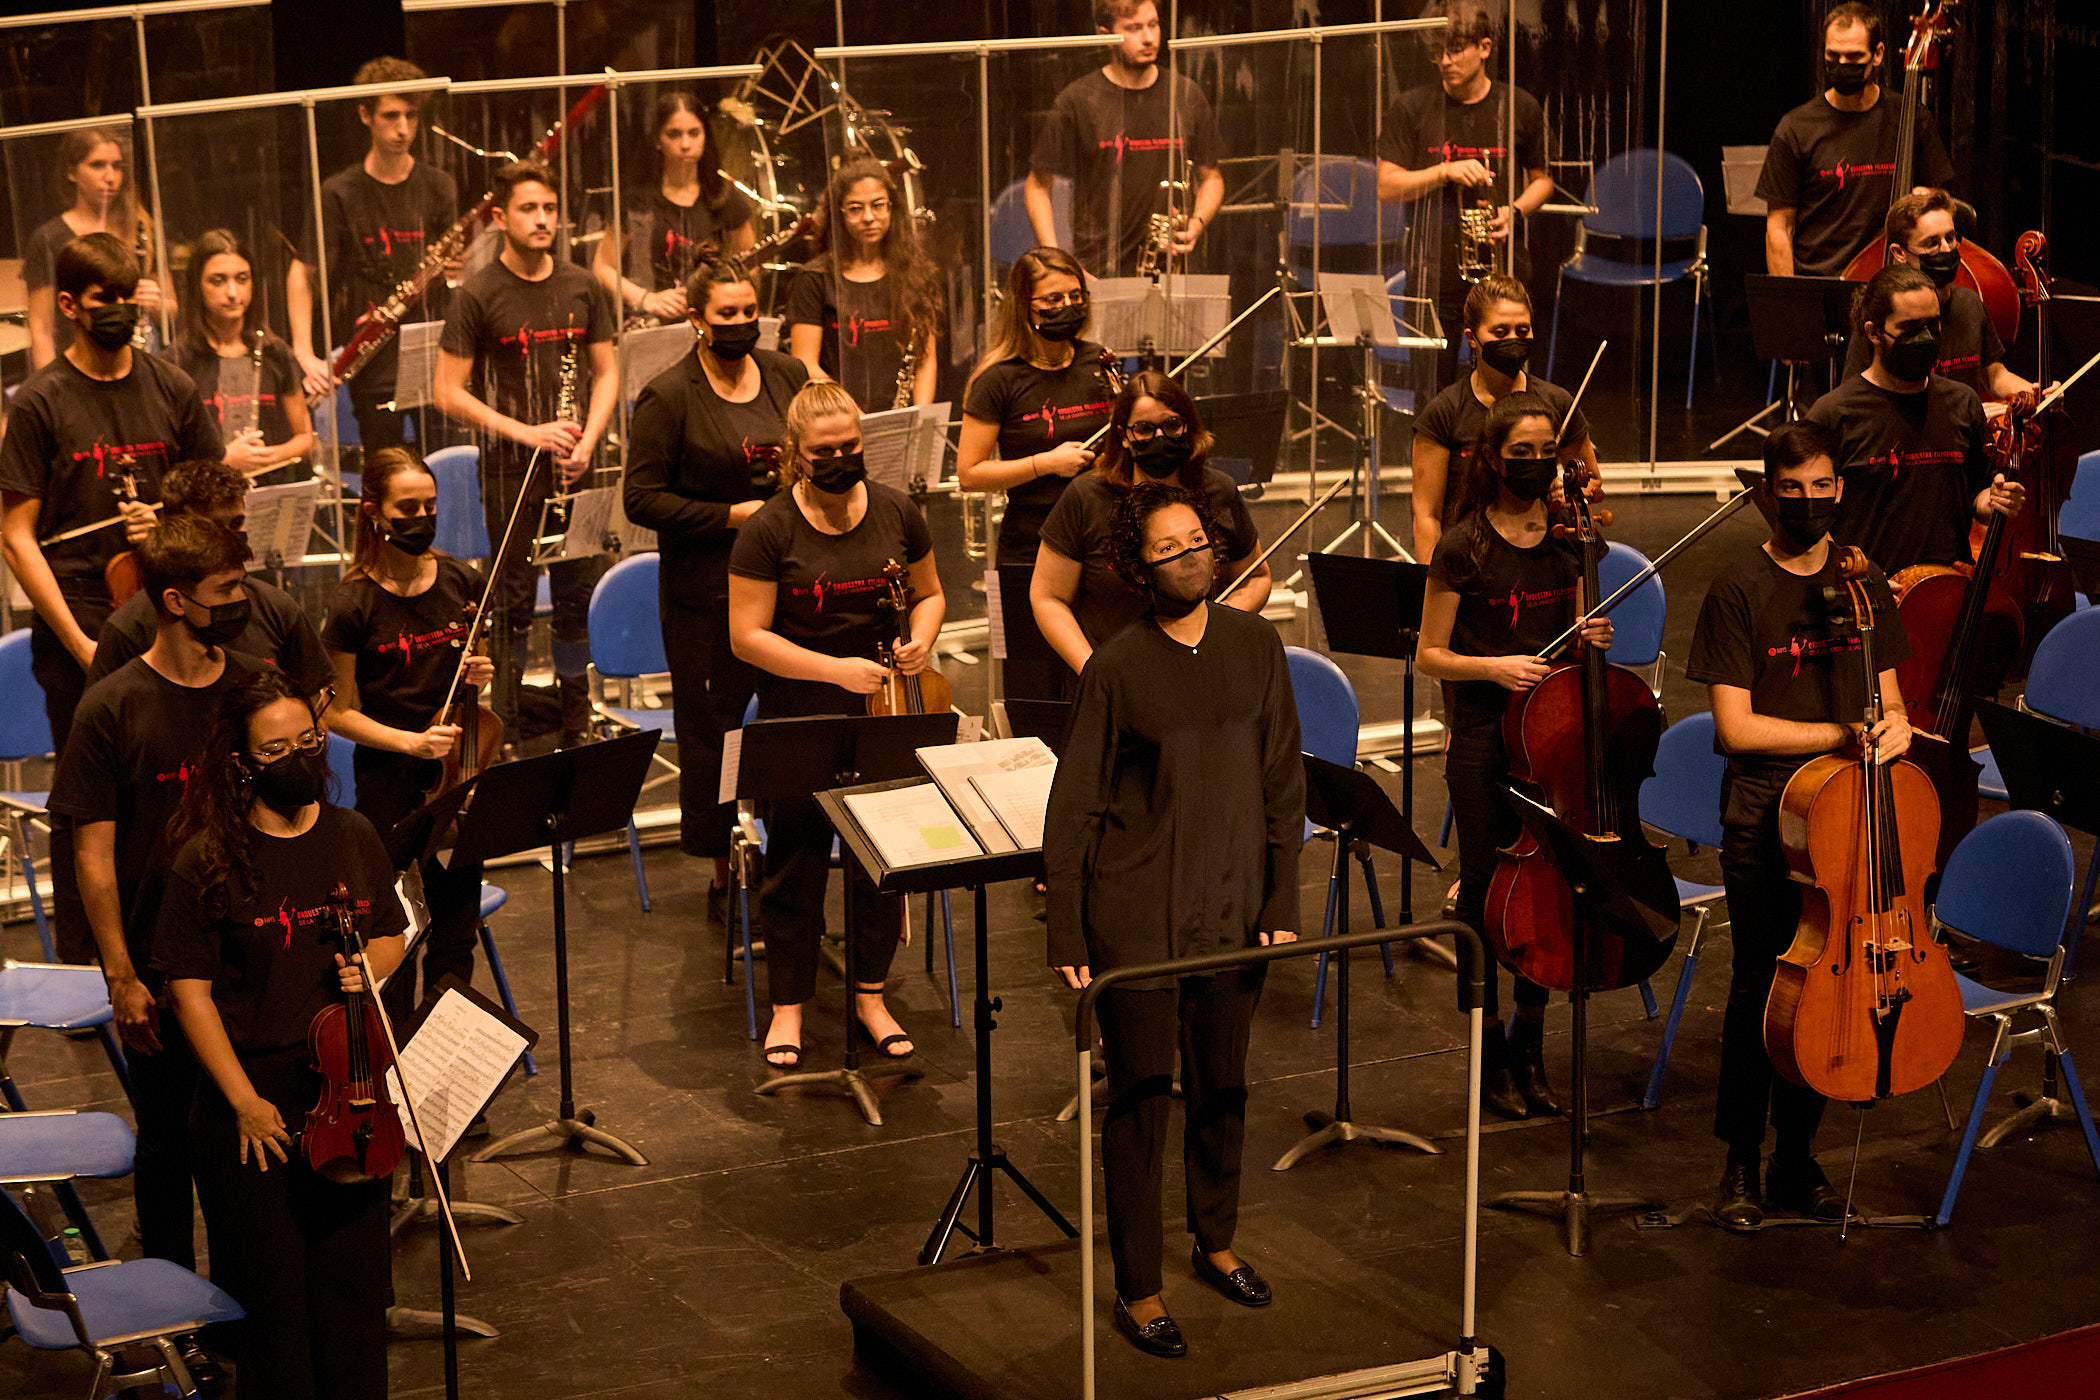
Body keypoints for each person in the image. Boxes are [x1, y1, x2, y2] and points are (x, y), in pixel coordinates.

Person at [1044, 480, 1303, 1358]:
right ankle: (1139, 1286)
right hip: (1138, 911)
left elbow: (1282, 779)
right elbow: (1076, 803)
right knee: (1141, 1102)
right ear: (1139, 568)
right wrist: (1067, 927)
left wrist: (1281, 896)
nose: (1192, 556)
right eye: (1170, 548)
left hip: (1233, 902)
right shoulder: (1115, 668)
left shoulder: (1256, 643)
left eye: (1198, 541)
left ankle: (1216, 1240)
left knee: (1223, 1084)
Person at [1684, 420, 1915, 1229]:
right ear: (1766, 494)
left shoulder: (1863, 579)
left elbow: (1892, 699)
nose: (1809, 502)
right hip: (1766, 816)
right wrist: (1840, 733)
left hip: (1847, 812)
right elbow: (1736, 728)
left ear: (1839, 489)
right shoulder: (1737, 588)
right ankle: (1740, 1162)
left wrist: (1894, 730)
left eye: (1821, 487)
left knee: (1832, 982)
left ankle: (1796, 1158)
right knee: (1763, 983)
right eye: (1792, 490)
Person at [157, 670, 401, 1400]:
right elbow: (190, 994)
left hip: (349, 1090)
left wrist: (369, 967)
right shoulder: (206, 860)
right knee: (277, 1310)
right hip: (253, 1098)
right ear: (242, 763)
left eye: (308, 741)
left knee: (354, 1299)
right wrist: (243, 1103)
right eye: (275, 749)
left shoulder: (353, 835)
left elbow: (389, 932)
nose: (297, 758)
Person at [46, 515, 261, 1273]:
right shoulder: (110, 707)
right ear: (175, 600)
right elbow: (94, 857)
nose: (242, 602)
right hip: (158, 960)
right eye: (227, 590)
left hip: (248, 947)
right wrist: (121, 974)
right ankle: (172, 1300)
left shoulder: (249, 687)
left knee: (247, 1137)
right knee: (166, 1144)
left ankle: (249, 1300)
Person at [728, 382, 942, 1069]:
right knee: (794, 862)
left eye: (851, 445)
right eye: (825, 451)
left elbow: (931, 594)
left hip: (883, 711)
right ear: (796, 453)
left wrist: (922, 639)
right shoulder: (768, 529)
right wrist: (834, 671)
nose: (842, 458)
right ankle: (789, 1006)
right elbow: (746, 637)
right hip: (801, 712)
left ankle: (870, 996)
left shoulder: (897, 510)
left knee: (880, 857)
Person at [1414, 392, 1613, 1120]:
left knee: (1548, 885)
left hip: (1553, 737)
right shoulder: (1462, 546)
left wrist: (1592, 637)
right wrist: (1495, 668)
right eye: (1520, 453)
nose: (1534, 464)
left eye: (1545, 452)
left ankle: (1531, 1042)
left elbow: (1580, 630)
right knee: (1482, 887)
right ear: (1493, 459)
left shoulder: (1570, 539)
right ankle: (1489, 1044)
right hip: (1482, 738)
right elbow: (1430, 655)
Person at [624, 260, 808, 917]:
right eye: (727, 314)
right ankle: (722, 871)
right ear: (697, 320)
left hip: (786, 580)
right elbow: (641, 498)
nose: (741, 323)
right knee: (713, 733)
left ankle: (791, 855)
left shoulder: (787, 375)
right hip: (705, 593)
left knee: (791, 721)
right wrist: (730, 517)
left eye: (749, 312)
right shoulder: (669, 395)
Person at [0, 232, 222, 751]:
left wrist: (167, 529)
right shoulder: (39, 402)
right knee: (92, 780)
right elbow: (16, 538)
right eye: (104, 299)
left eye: (128, 297)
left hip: (169, 607)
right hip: (79, 608)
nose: (120, 309)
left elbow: (213, 503)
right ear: (69, 305)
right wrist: (80, 644)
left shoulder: (173, 387)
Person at [435, 157, 619, 749]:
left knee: (575, 595)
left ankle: (575, 725)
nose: (542, 220)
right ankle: (510, 734)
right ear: (500, 218)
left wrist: (587, 440)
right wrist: (527, 432)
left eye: (550, 209)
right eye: (528, 209)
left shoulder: (582, 283)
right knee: (512, 601)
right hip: (510, 465)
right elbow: (446, 392)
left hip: (574, 462)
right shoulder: (478, 292)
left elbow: (608, 372)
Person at [320, 448, 495, 1017]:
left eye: (430, 505)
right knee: (394, 940)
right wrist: (411, 742)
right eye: (408, 508)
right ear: (374, 512)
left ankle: (443, 1052)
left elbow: (472, 686)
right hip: (389, 785)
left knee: (455, 937)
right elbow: (336, 712)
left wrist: (481, 675)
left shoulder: (462, 581)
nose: (423, 517)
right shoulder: (352, 604)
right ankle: (395, 1060)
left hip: (456, 781)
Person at [1032, 370, 1268, 679]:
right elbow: (1048, 597)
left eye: (1172, 425)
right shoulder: (1085, 496)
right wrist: (1093, 671)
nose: (1160, 438)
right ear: (1123, 436)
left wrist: (1215, 626)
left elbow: (1256, 577)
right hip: (1115, 677)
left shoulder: (1219, 490)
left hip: (1203, 672)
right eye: (1144, 429)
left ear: (1188, 426)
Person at [958, 247, 1115, 701]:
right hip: (1030, 545)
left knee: (1103, 674)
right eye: (1052, 300)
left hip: (1100, 542)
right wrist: (1045, 463)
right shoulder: (998, 379)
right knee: (1035, 688)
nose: (1066, 307)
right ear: (1023, 305)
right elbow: (970, 473)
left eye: (1075, 296)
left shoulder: (1098, 362)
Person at [1376, 1, 1553, 387]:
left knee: (1505, 389)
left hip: (1502, 273)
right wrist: (1444, 171)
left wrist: (1514, 212)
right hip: (1434, 272)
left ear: (1484, 48)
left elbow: (1542, 181)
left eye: (1455, 51)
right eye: (1437, 52)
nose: (1444, 61)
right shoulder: (1411, 107)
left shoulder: (1519, 106)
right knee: (1432, 391)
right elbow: (1387, 187)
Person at [1808, 264, 2022, 579]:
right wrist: (1860, 578)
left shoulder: (1962, 403)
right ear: (1874, 333)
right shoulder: (1833, 414)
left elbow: (1978, 492)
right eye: (1909, 329)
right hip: (1868, 595)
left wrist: (1994, 502)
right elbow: (1809, 523)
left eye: (1932, 325)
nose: (1924, 338)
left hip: (1947, 590)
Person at [289, 56, 460, 449]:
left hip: (435, 354)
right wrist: (304, 353)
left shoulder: (439, 186)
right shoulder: (339, 193)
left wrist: (458, 273)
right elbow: (303, 271)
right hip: (374, 359)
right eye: (391, 116)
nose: (403, 129)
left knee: (447, 464)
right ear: (365, 115)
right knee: (386, 466)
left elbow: (455, 271)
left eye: (411, 116)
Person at [88, 458, 332, 692]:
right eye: (212, 527)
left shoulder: (277, 608)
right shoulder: (128, 628)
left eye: (236, 524)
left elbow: (317, 702)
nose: (229, 539)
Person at [1026, 0, 1224, 278]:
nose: (1148, 38)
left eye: (1153, 25)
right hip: (1099, 270)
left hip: (1172, 270)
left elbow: (1212, 178)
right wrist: (1060, 265)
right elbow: (1037, 187)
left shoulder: (1185, 94)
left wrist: (1196, 223)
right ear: (1107, 36)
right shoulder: (1078, 100)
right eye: (1134, 28)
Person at [1408, 274, 1598, 563]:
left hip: (1545, 559)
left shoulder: (1558, 403)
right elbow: (1427, 516)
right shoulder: (1443, 413)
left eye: (1522, 330)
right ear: (1471, 338)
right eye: (1500, 332)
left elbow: (1591, 481)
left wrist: (1571, 488)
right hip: (1470, 561)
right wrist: (1435, 580)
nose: (1513, 339)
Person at [1758, 2, 1953, 278]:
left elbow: (1941, 207)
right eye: (1833, 55)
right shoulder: (1795, 128)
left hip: (1892, 283)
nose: (1842, 64)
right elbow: (1780, 228)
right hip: (1819, 281)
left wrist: (1927, 199)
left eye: (1853, 56)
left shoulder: (1910, 118)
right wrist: (1790, 298)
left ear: (1878, 54)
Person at [1840, 189, 2039, 403]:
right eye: (1932, 243)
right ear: (1899, 253)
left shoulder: (1970, 302)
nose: (1946, 249)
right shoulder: (1882, 313)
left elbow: (1995, 376)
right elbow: (1856, 398)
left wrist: (2034, 393)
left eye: (1950, 238)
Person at [784, 158, 941, 411]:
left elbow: (925, 358)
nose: (869, 217)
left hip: (901, 420)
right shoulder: (814, 278)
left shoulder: (914, 272)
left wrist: (919, 416)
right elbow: (805, 362)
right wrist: (854, 416)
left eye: (878, 206)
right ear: (839, 214)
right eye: (855, 209)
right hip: (837, 416)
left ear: (892, 208)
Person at [593, 91, 755, 323]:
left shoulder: (722, 194)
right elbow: (602, 267)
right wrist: (645, 298)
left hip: (711, 321)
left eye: (694, 133)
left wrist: (721, 298)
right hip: (650, 322)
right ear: (657, 140)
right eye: (674, 134)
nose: (686, 144)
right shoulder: (636, 199)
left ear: (705, 136)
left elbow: (750, 262)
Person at [174, 229, 316, 485]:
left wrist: (267, 457)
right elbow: (172, 452)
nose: (232, 292)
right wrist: (225, 459)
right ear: (197, 286)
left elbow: (306, 439)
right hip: (207, 495)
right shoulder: (177, 360)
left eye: (242, 279)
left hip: (272, 488)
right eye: (217, 281)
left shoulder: (276, 352)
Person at [24, 125, 164, 369]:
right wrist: (48, 385)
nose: (110, 177)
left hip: (137, 361)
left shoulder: (139, 228)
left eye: (117, 166)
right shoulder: (48, 238)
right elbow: (41, 329)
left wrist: (156, 304)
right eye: (98, 165)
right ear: (72, 172)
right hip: (78, 364)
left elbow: (170, 312)